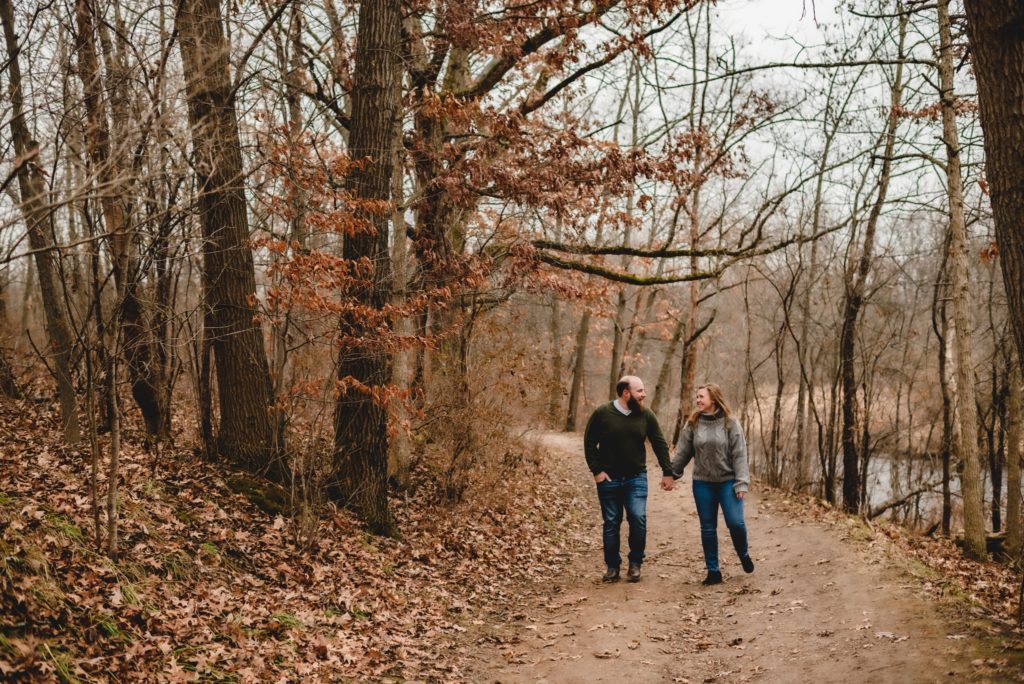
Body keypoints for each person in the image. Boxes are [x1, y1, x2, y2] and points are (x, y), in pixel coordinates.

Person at [584, 375, 675, 583]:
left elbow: (659, 443)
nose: (644, 394)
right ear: (626, 393)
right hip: (608, 479)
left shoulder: (646, 415)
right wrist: (597, 471)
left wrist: (667, 472)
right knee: (611, 523)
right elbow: (589, 444)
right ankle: (612, 567)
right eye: (640, 391)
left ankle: (635, 563)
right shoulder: (602, 413)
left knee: (637, 518)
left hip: (636, 478)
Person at [671, 383, 754, 586]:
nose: (698, 400)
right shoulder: (693, 423)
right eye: (697, 397)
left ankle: (743, 554)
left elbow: (739, 454)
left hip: (727, 482)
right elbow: (683, 452)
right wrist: (671, 473)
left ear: (714, 399)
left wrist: (742, 482)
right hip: (702, 483)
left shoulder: (730, 423)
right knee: (707, 528)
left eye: (701, 397)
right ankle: (713, 571)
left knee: (736, 522)